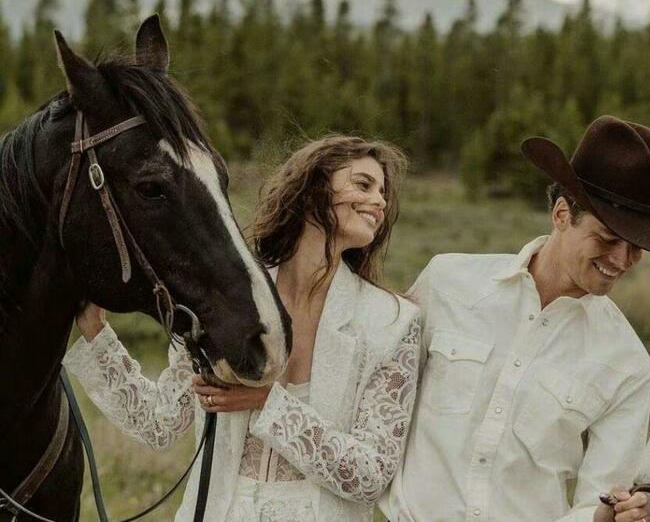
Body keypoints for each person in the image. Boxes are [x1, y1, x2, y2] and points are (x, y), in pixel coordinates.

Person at [64, 136, 421, 522]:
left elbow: (371, 476)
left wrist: (268, 403)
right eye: (364, 185)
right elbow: (159, 423)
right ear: (313, 188)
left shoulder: (392, 323)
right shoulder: (229, 299)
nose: (380, 201)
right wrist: (96, 332)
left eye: (383, 192)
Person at [381, 115, 650, 522]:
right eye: (608, 239)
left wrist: (611, 514)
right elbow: (376, 404)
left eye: (637, 248)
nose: (622, 260)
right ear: (561, 215)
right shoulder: (447, 282)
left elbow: (599, 500)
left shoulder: (628, 364)